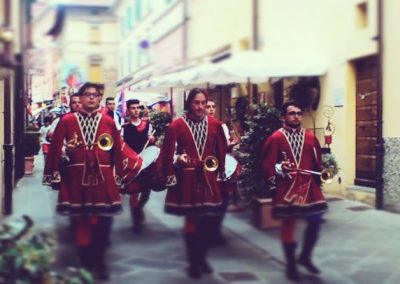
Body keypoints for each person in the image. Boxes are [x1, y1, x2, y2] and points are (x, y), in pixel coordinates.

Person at [43, 82, 142, 280]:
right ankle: (85, 262)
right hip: (76, 178)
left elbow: (118, 149)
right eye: (87, 94)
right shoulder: (68, 121)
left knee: (103, 222)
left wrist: (122, 175)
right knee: (81, 221)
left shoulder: (108, 122)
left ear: (99, 98)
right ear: (80, 98)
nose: (91, 98)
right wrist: (62, 157)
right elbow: (55, 148)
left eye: (95, 95)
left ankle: (100, 260)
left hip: (103, 178)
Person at [161, 88, 227, 279]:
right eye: (196, 103)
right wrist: (176, 159)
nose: (200, 107)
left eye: (203, 103)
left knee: (208, 223)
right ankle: (194, 262)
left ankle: (202, 257)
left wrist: (221, 170)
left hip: (208, 178)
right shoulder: (177, 126)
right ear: (189, 103)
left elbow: (220, 150)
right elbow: (167, 152)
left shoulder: (215, 125)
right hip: (187, 178)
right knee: (191, 221)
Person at [261, 101, 328, 281]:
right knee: (288, 225)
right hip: (286, 188)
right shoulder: (275, 138)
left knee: (316, 220)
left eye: (299, 113)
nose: (296, 116)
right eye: (292, 113)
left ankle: (305, 256)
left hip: (308, 187)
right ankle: (291, 266)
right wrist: (279, 168)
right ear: (284, 116)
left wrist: (319, 178)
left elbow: (317, 162)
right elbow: (267, 165)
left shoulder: (310, 137)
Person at [205, 99, 240, 246]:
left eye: (213, 106)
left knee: (223, 199)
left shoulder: (222, 126)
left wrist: (231, 144)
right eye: (208, 106)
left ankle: (216, 230)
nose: (211, 109)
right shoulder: (200, 126)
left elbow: (224, 147)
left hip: (220, 167)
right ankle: (208, 232)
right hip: (205, 167)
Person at [121, 99, 155, 233]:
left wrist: (152, 140)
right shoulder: (125, 128)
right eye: (133, 108)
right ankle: (136, 221)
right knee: (134, 192)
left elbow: (152, 143)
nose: (136, 110)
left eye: (137, 108)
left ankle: (140, 208)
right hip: (132, 163)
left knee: (146, 193)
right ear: (128, 111)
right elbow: (122, 146)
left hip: (145, 162)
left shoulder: (148, 126)